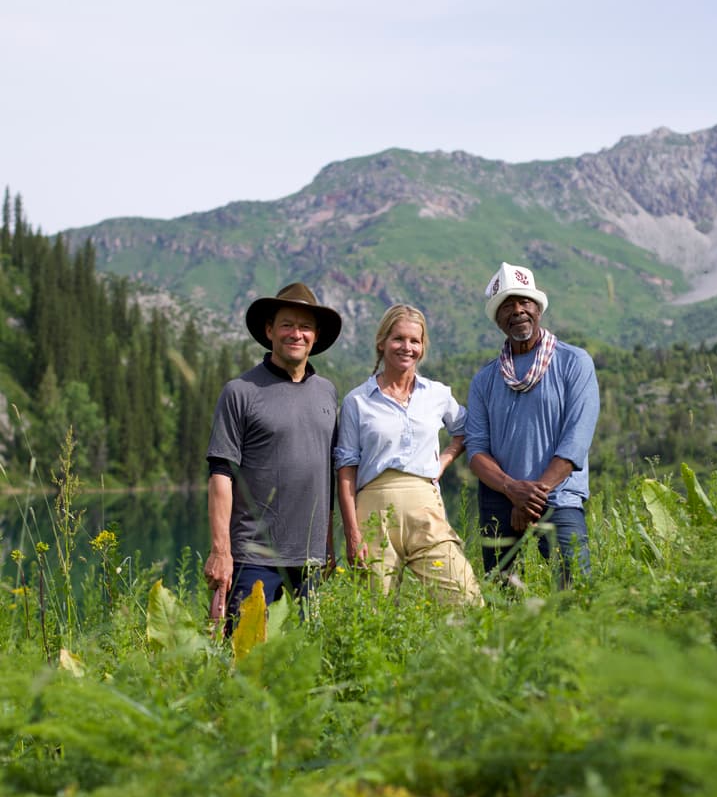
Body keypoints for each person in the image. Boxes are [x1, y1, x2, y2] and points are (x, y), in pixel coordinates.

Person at [204, 281, 341, 622]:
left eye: (305, 326)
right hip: (254, 557)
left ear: (316, 335)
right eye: (287, 324)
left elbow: (326, 477)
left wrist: (328, 547)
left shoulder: (327, 392)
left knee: (308, 659)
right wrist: (221, 552)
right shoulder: (240, 391)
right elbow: (221, 475)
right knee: (246, 659)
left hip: (311, 560)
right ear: (269, 331)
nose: (297, 333)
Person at [335, 304, 481, 605]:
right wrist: (352, 533)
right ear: (381, 342)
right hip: (373, 512)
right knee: (374, 615)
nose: (407, 347)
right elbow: (346, 470)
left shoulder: (437, 394)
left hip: (425, 508)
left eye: (415, 341)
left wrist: (445, 459)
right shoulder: (357, 401)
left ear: (423, 347)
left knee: (466, 600)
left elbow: (466, 430)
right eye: (398, 338)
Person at [464, 262, 599, 586]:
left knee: (574, 590)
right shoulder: (485, 379)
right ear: (498, 320)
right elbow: (476, 451)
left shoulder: (574, 362)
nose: (518, 310)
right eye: (507, 306)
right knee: (502, 598)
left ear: (538, 307)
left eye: (525, 301)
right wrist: (513, 490)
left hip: (559, 496)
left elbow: (575, 441)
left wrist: (532, 496)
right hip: (500, 498)